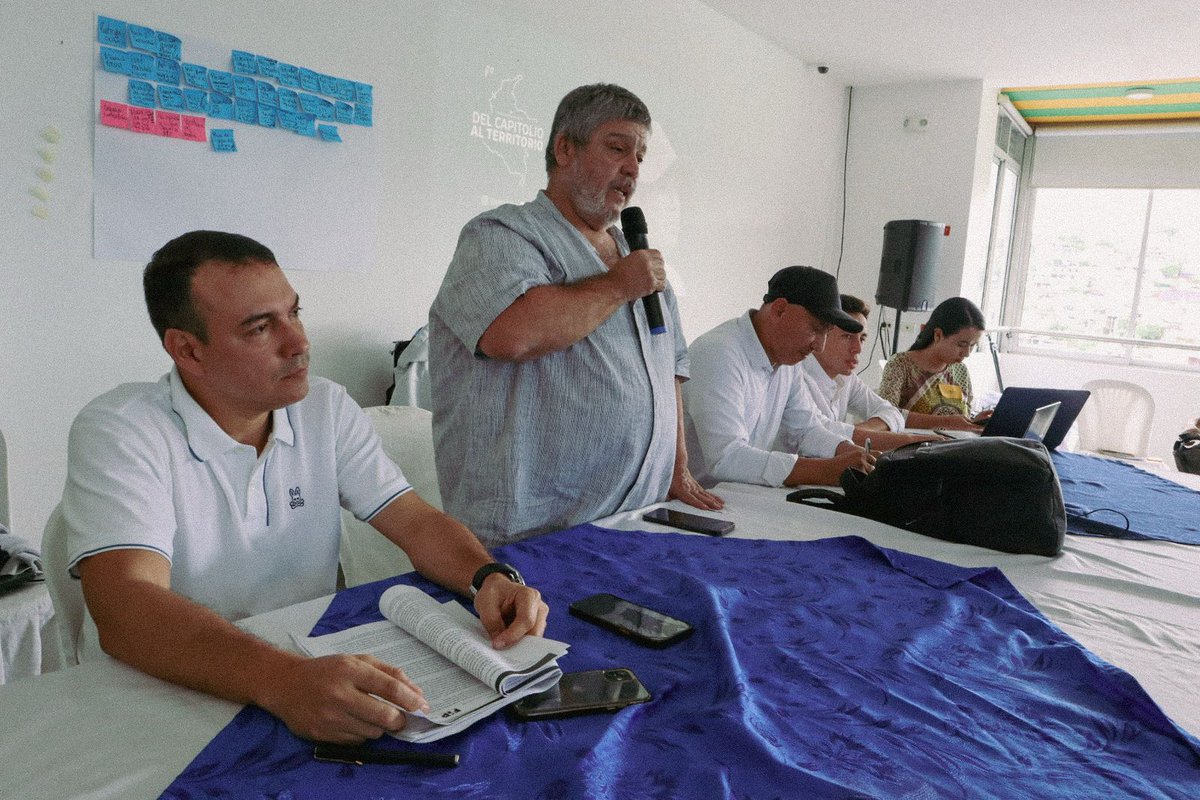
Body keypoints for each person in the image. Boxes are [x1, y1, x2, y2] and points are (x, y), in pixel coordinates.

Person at [62, 231, 549, 745]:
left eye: (294, 313)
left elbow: (413, 519)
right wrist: (282, 680)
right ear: (187, 348)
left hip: (299, 676)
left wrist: (488, 576)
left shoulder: (324, 407)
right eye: (259, 328)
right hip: (160, 696)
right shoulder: (121, 429)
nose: (298, 343)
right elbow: (125, 608)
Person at [429, 83, 721, 546]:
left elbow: (671, 371)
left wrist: (678, 468)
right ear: (565, 149)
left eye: (640, 156)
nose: (632, 169)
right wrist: (618, 285)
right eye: (617, 148)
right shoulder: (500, 235)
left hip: (635, 520)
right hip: (532, 537)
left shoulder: (637, 259)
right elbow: (513, 334)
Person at [682, 266, 876, 488]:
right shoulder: (719, 353)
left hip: (734, 497)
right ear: (780, 310)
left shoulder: (786, 361)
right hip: (688, 505)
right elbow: (726, 457)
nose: (819, 346)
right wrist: (824, 470)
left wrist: (847, 450)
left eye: (826, 333)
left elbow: (804, 428)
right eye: (816, 329)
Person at [804, 295, 979, 435]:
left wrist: (853, 433)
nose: (858, 348)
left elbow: (891, 413)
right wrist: (853, 434)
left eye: (862, 338)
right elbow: (820, 435)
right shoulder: (797, 378)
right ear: (821, 335)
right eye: (847, 336)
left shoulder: (847, 378)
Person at [878, 296, 988, 423]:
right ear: (938, 335)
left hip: (956, 441)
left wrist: (974, 422)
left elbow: (964, 418)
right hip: (914, 441)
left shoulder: (960, 370)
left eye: (973, 345)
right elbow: (886, 414)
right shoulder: (900, 365)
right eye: (961, 345)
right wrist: (948, 423)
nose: (967, 353)